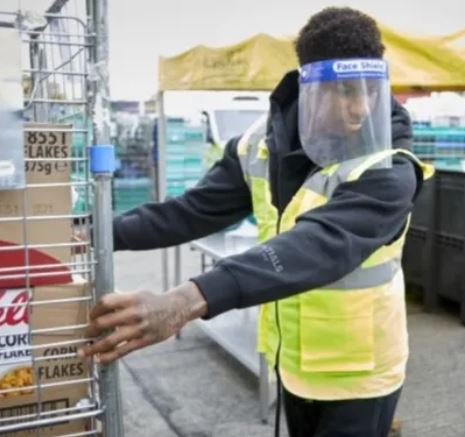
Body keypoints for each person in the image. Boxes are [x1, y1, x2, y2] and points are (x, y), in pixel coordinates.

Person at [78, 7, 431, 437]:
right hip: (295, 363)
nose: (361, 107)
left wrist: (184, 301)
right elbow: (190, 211)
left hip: (361, 375)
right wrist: (93, 233)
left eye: (370, 90)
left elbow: (318, 244)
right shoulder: (260, 146)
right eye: (344, 91)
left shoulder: (390, 166)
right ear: (310, 86)